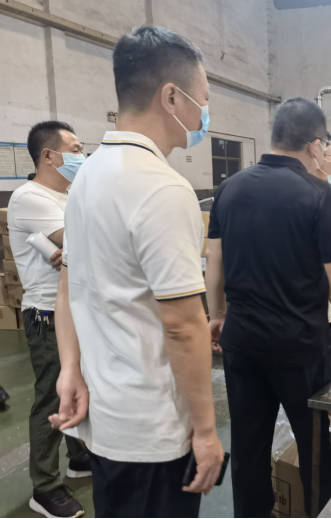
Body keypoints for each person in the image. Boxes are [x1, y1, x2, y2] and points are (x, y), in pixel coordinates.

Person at [49, 26, 224, 518]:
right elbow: (183, 326)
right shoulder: (162, 188)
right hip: (154, 431)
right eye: (202, 99)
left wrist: (70, 367)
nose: (204, 112)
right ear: (171, 97)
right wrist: (206, 431)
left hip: (106, 418)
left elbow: (68, 286)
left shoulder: (88, 177)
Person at [205, 97, 331, 518]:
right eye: (325, 144)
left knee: (248, 446)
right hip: (297, 345)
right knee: (314, 444)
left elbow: (214, 262)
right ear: (314, 144)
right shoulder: (319, 194)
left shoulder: (229, 188)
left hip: (242, 343)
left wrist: (217, 315)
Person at [7, 120, 90, 519]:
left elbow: (82, 246)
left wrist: (75, 248)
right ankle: (45, 487)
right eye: (75, 149)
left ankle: (80, 457)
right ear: (49, 156)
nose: (81, 155)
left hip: (75, 308)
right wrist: (79, 246)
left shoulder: (70, 195)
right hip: (47, 313)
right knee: (52, 397)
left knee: (80, 385)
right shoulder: (30, 197)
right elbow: (90, 245)